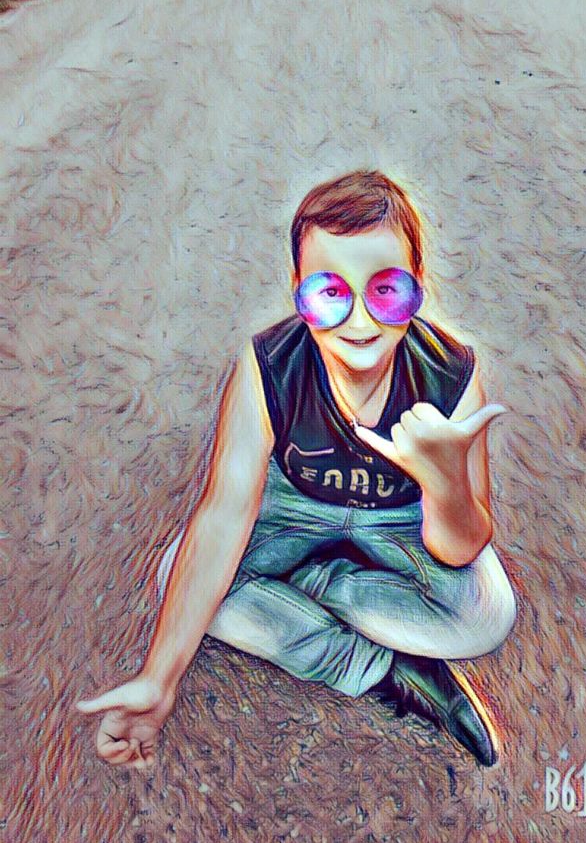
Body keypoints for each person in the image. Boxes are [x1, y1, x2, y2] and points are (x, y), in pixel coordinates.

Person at [76, 170, 517, 769]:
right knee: (179, 576)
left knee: (487, 614)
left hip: (402, 519)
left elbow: (460, 547)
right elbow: (224, 512)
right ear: (297, 292)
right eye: (330, 292)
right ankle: (385, 671)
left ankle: (319, 586)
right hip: (294, 507)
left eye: (386, 290)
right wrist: (159, 680)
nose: (359, 320)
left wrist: (445, 482)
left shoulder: (452, 374)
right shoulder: (268, 365)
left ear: (419, 284)